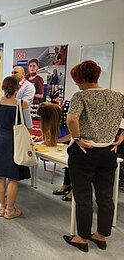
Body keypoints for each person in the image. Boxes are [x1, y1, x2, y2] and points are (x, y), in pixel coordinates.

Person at [63, 60, 124, 252]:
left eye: (76, 80)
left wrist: (77, 138)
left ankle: (81, 237)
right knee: (105, 196)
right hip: (108, 152)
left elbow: (72, 118)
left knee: (83, 196)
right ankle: (101, 236)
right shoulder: (117, 96)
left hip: (84, 152)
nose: (76, 84)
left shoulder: (81, 96)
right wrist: (122, 136)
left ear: (81, 79)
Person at [0, 76, 32, 219]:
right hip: (16, 143)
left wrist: (1, 129)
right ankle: (10, 210)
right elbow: (29, 126)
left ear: (2, 87)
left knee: (0, 176)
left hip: (0, 140)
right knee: (13, 177)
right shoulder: (22, 104)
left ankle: (1, 207)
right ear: (17, 88)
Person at [35, 101, 72, 201]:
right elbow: (50, 127)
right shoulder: (55, 114)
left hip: (74, 139)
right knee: (68, 163)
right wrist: (41, 138)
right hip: (65, 140)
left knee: (71, 162)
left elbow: (73, 133)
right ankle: (66, 185)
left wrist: (58, 141)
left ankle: (72, 190)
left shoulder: (67, 114)